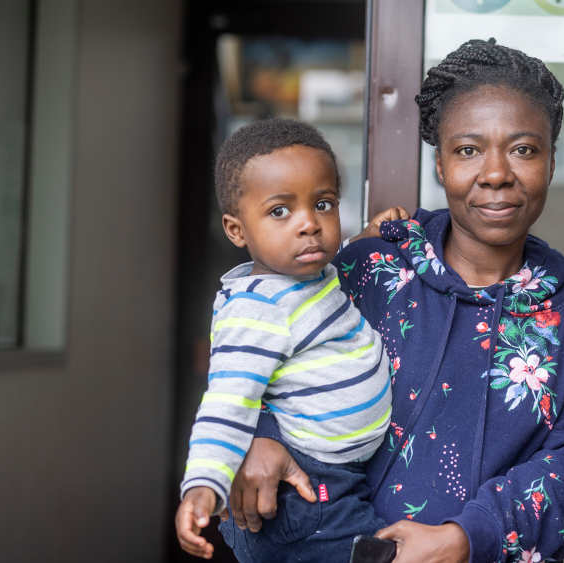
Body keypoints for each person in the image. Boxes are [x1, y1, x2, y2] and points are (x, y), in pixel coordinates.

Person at [227, 39, 564, 563]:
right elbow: (258, 355)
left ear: (551, 163)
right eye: (468, 150)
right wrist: (260, 436)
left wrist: (463, 538)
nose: (497, 172)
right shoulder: (370, 272)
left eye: (524, 149)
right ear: (440, 165)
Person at [174, 118, 409, 561]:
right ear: (236, 230)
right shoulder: (258, 310)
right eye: (280, 211)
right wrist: (204, 486)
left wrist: (369, 236)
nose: (309, 225)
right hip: (303, 493)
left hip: (337, 477)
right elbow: (226, 403)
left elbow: (328, 268)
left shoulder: (308, 278)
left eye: (323, 204)